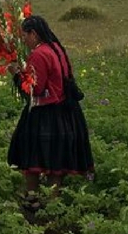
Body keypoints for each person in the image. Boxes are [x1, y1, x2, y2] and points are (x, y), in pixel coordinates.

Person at [6, 15, 93, 210]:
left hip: (46, 113)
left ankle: (32, 198)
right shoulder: (56, 49)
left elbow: (35, 89)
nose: (24, 41)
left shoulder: (39, 54)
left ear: (34, 34)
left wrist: (16, 75)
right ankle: (52, 204)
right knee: (56, 160)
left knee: (31, 155)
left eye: (25, 36)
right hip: (65, 111)